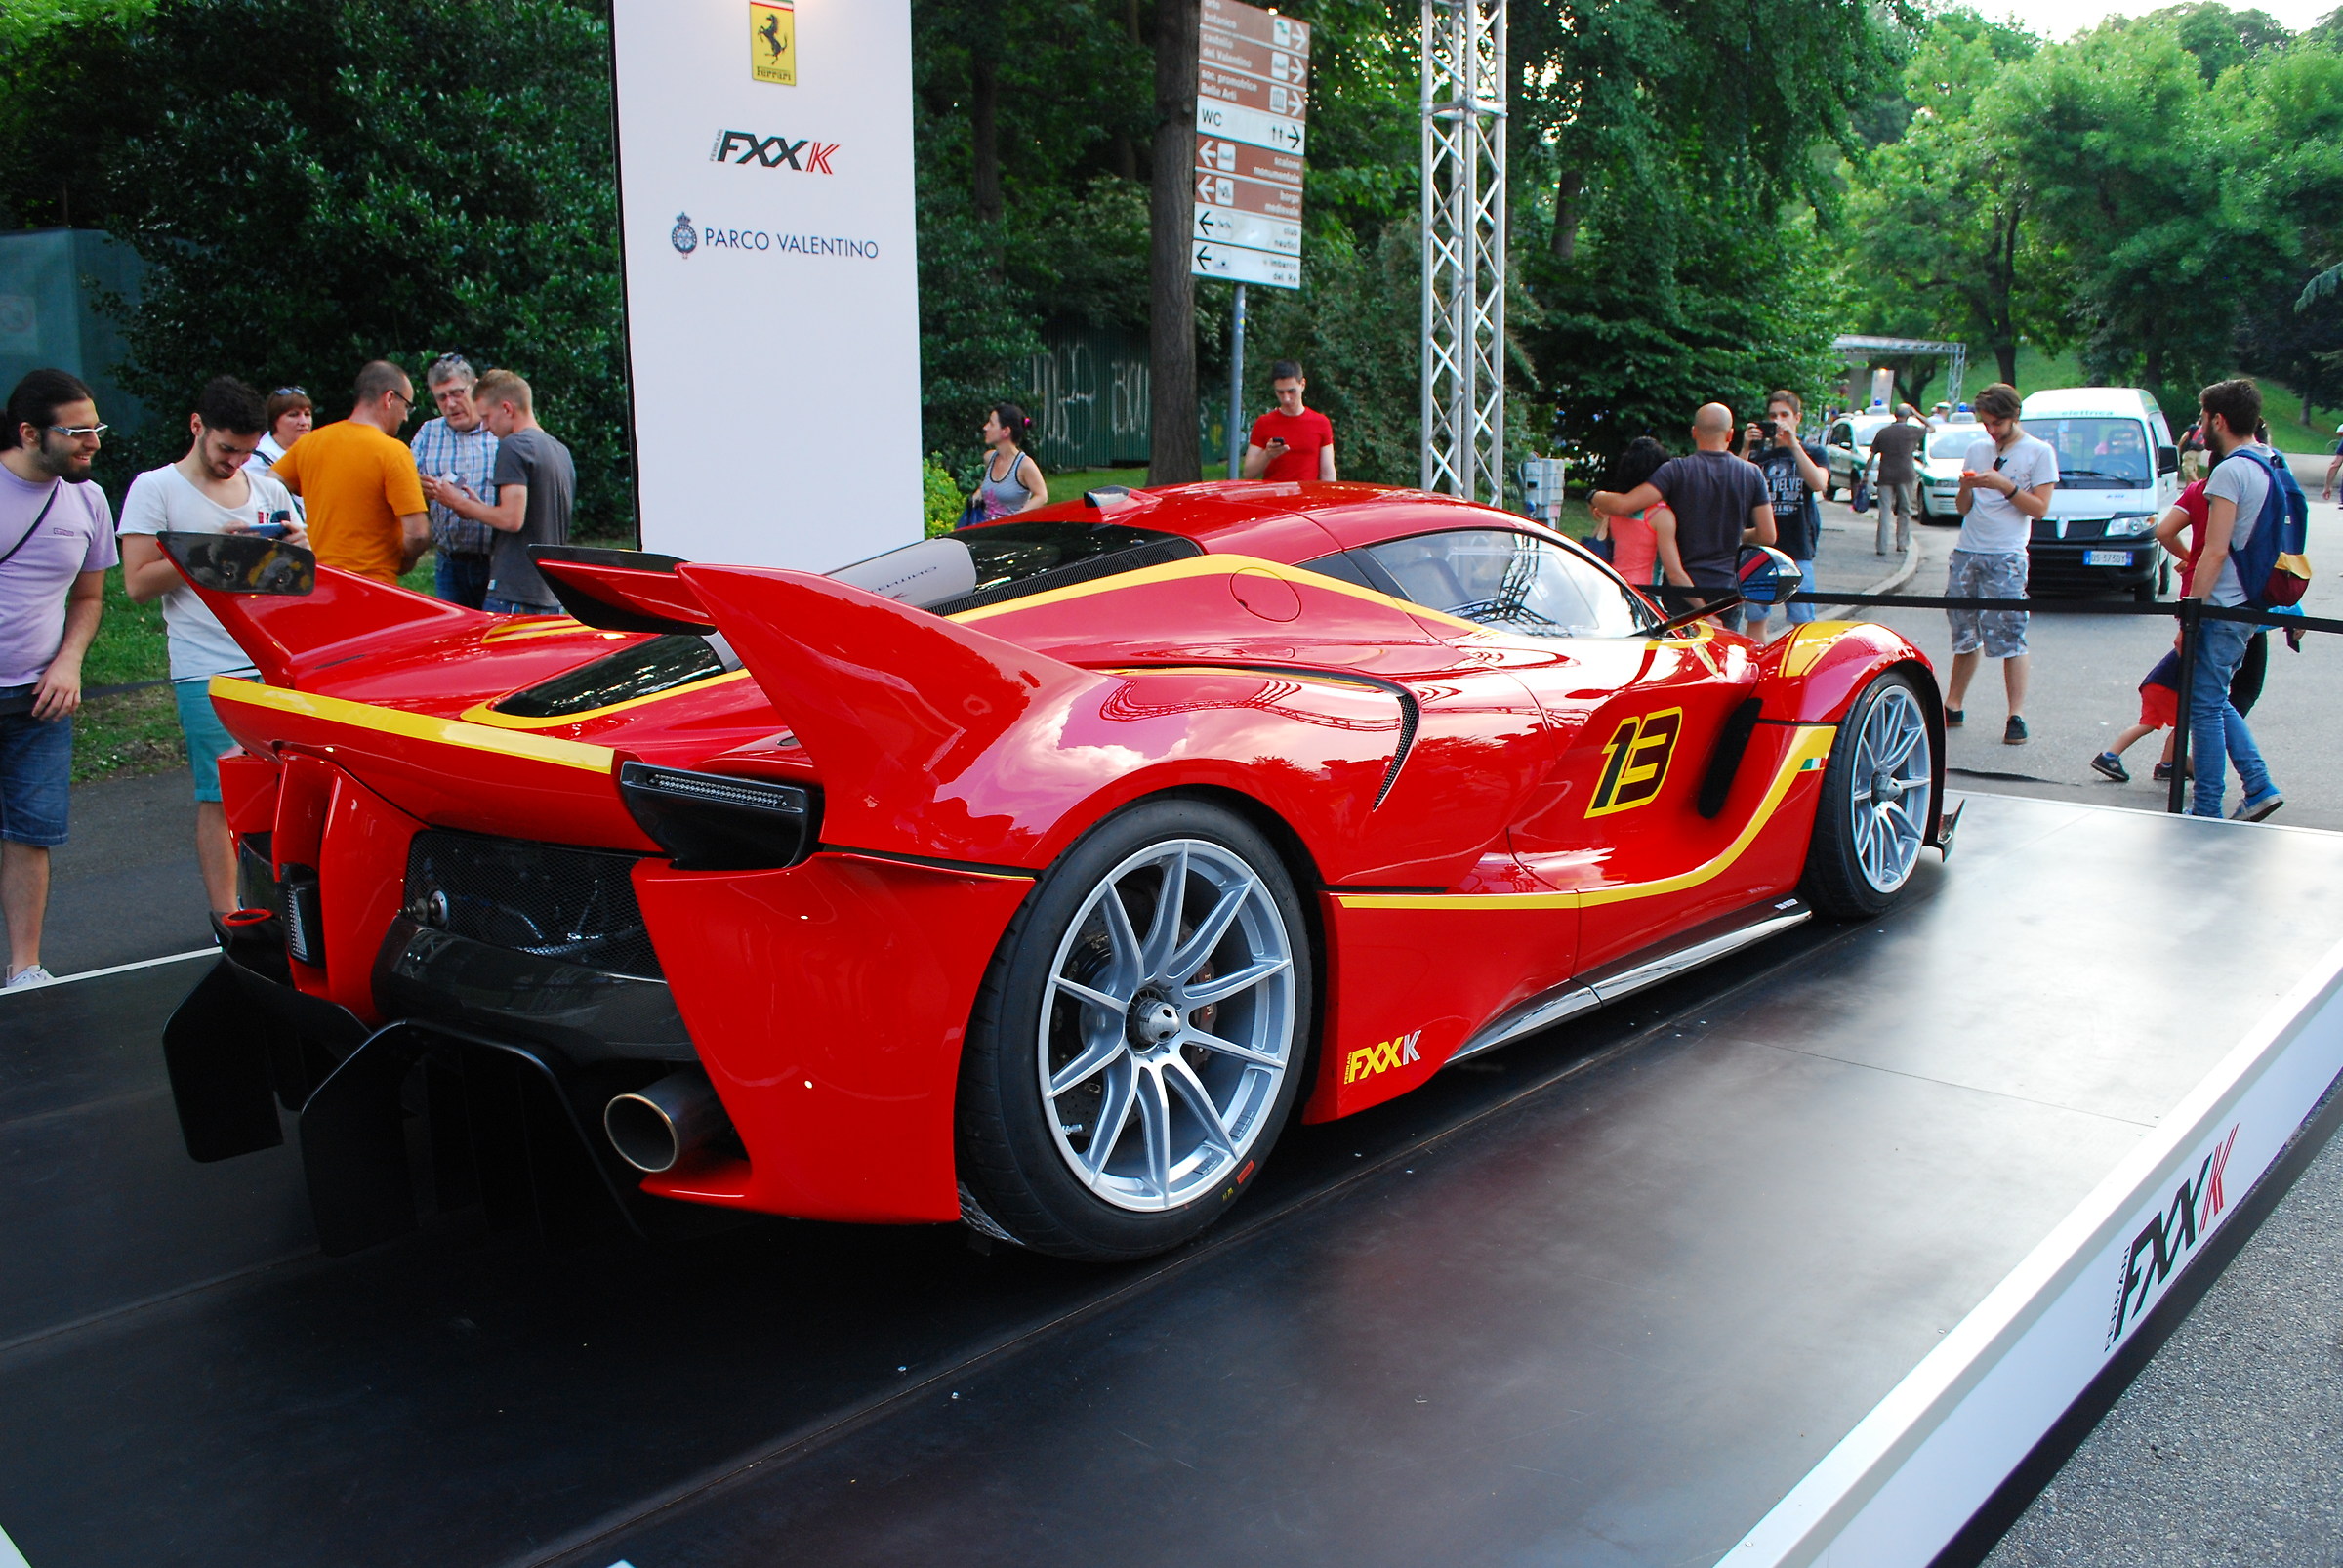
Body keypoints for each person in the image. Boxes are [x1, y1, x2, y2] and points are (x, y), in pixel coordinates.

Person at [117, 378, 306, 915]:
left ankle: (284, 908)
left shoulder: (266, 486)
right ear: (197, 426)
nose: (235, 463)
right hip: (207, 664)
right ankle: (229, 915)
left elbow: (296, 579)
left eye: (246, 452)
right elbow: (135, 582)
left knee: (283, 787)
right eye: (226, 449)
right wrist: (210, 554)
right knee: (220, 793)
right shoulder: (156, 487)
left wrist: (297, 546)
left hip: (273, 655)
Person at [0, 370, 113, 988]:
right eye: (77, 431)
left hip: (39, 696)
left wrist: (68, 661)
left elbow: (90, 597)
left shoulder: (88, 500)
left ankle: (24, 968)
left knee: (29, 832)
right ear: (29, 432)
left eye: (96, 427)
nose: (92, 442)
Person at [2179, 378, 2284, 821]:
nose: (2201, 427)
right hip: (2250, 602)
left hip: (2223, 604)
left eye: (2204, 418)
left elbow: (2216, 549)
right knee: (2214, 699)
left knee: (2203, 709)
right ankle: (2258, 785)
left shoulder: (2229, 471)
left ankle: (2207, 809)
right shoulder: (2268, 459)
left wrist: (2192, 611)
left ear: (2218, 420)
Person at [1589, 402, 1773, 626]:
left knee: (1681, 657)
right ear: (1730, 434)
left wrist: (1594, 496)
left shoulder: (1676, 470)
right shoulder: (1752, 474)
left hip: (1681, 590)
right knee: (1724, 655)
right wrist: (1737, 534)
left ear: (1694, 432)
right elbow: (1767, 535)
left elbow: (1625, 505)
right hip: (1728, 590)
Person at [1946, 382, 2057, 745]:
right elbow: (1963, 509)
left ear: (2014, 417)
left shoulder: (2039, 452)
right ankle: (1954, 703)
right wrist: (1966, 487)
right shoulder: (1978, 448)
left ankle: (2016, 714)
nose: (1991, 431)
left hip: (2007, 553)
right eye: (1986, 423)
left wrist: (2003, 486)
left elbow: (2040, 509)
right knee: (1964, 632)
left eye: (1997, 423)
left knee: (2009, 634)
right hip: (1968, 550)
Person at [423, 369, 573, 615]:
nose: (485, 426)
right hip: (549, 592)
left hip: (514, 592)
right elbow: (533, 517)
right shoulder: (558, 450)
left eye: (487, 416)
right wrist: (479, 508)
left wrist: (459, 503)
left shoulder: (513, 446)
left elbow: (511, 519)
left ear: (507, 408)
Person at [267, 361, 429, 584]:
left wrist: (288, 531)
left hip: (318, 579)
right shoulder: (393, 452)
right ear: (390, 398)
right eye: (407, 406)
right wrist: (403, 562)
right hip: (373, 586)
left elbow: (268, 487)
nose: (406, 417)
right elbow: (418, 534)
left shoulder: (311, 443)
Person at [408, 354, 499, 608]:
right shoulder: (428, 433)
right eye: (441, 397)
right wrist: (417, 488)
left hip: (496, 562)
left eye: (457, 393)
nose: (450, 404)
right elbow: (404, 482)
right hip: (450, 562)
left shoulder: (499, 430)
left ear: (476, 388)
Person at [1739, 390, 1829, 643]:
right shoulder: (1758, 457)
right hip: (1758, 548)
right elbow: (1734, 485)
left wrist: (1794, 445)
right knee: (1756, 617)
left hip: (1798, 546)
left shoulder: (1813, 453)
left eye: (1784, 415)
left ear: (1797, 418)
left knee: (1802, 620)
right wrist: (1746, 448)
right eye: (1772, 415)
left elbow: (1819, 483)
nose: (1778, 420)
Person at [1588, 436, 1673, 589]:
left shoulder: (1614, 508)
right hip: (1644, 592)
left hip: (1612, 584)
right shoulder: (1660, 515)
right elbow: (1673, 570)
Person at [1241, 361, 1337, 481]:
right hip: (1274, 497)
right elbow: (1249, 473)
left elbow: (1327, 472)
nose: (1286, 399)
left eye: (1291, 391)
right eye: (1280, 392)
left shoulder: (1321, 423)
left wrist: (1328, 498)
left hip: (1306, 497)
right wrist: (1267, 455)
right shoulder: (1264, 423)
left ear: (1302, 385)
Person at [1865, 403, 1931, 557]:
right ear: (1907, 416)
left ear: (1895, 415)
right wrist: (1917, 413)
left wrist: (1866, 475)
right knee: (1904, 510)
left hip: (1885, 475)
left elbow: (1872, 455)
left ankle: (1881, 546)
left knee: (1884, 511)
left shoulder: (1883, 432)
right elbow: (1931, 427)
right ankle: (1902, 544)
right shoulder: (1912, 431)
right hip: (1905, 475)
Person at [973, 402, 1047, 520]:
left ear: (1005, 431)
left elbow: (1042, 496)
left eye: (991, 424)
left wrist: (1017, 517)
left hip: (1010, 534)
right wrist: (979, 493)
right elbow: (992, 487)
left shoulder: (1025, 465)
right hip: (986, 532)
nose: (985, 427)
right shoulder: (989, 458)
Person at [246, 387, 311, 475]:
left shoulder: (314, 451)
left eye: (307, 414)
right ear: (274, 420)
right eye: (293, 415)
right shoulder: (257, 461)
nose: (304, 422)